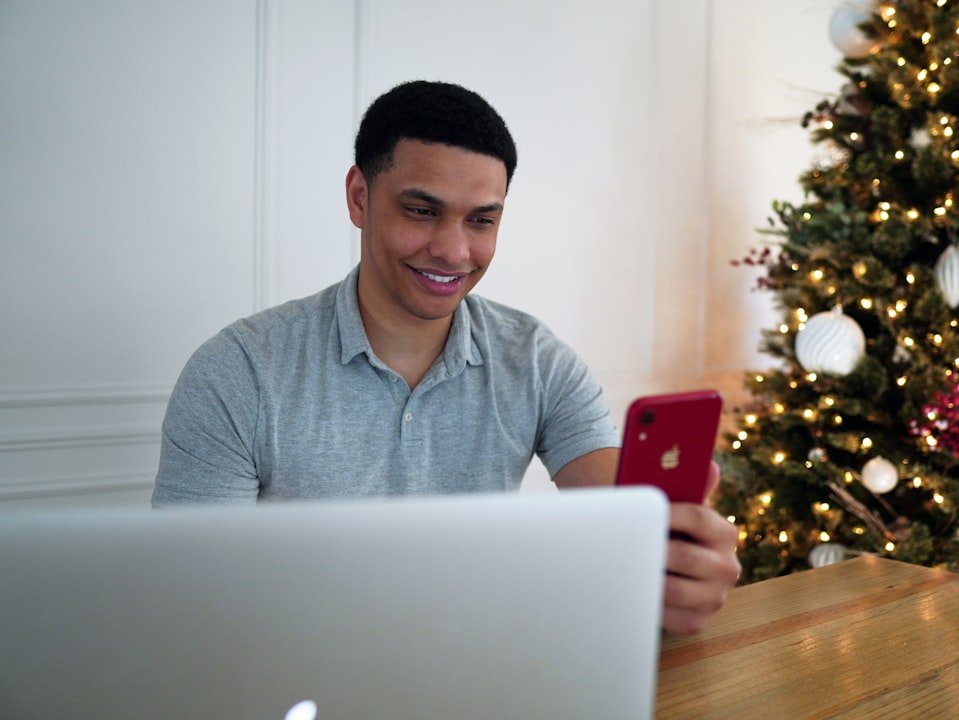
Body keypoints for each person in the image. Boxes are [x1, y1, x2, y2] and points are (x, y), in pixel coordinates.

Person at [153, 80, 739, 634]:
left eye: (481, 220)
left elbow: (622, 514)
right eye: (421, 210)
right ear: (360, 197)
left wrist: (675, 561)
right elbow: (187, 599)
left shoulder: (535, 360)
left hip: (479, 672)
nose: (454, 250)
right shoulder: (237, 371)